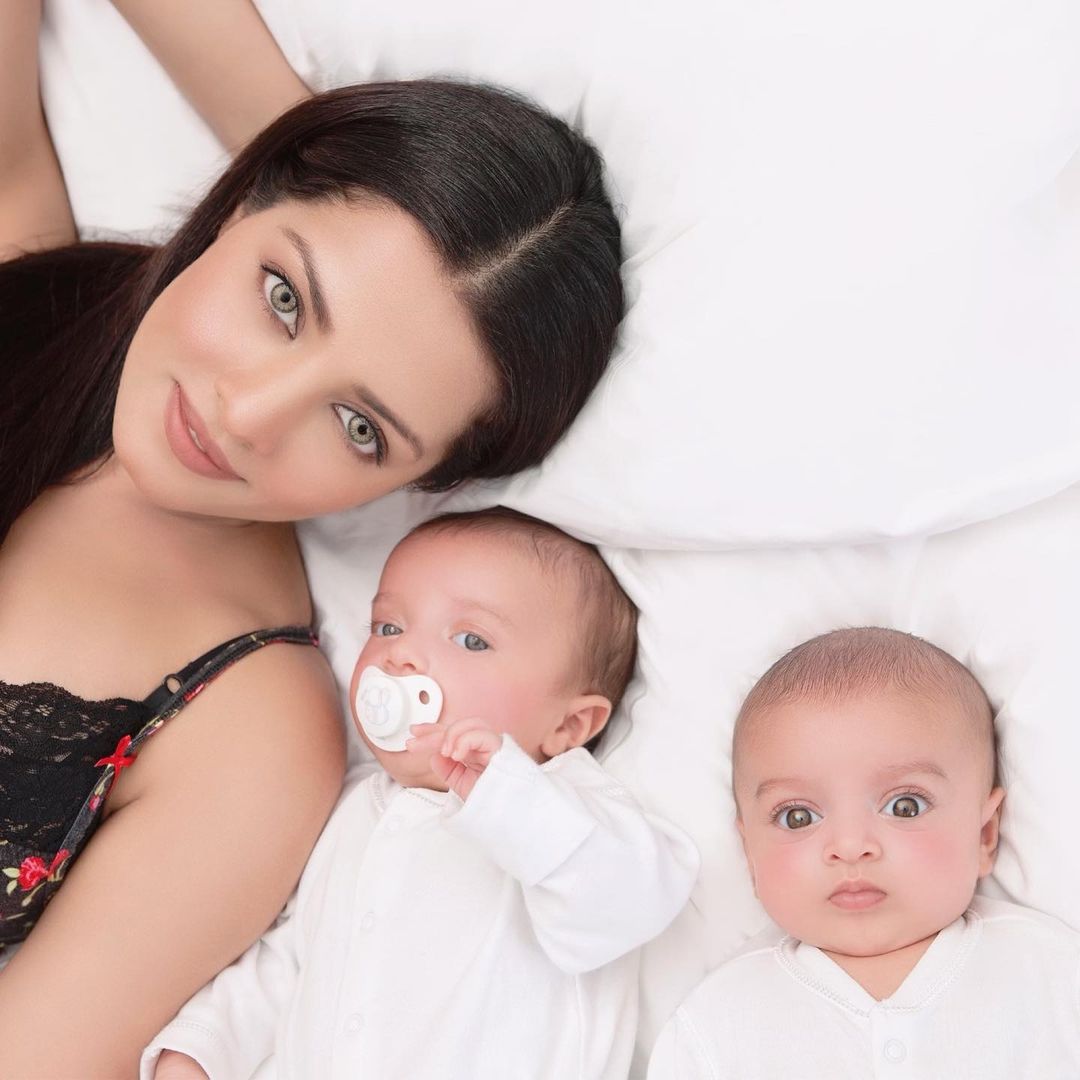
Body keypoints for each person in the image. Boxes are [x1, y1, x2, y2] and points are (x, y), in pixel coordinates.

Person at [0, 2, 624, 1073]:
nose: (247, 415)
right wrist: (300, 134)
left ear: (419, 483)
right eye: (283, 299)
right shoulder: (34, 284)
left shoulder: (248, 731)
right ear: (244, 197)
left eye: (358, 426)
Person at [141, 508, 699, 1080]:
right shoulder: (352, 810)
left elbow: (627, 903)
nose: (400, 654)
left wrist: (506, 796)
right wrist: (205, 1045)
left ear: (570, 725)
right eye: (388, 626)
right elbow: (295, 958)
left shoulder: (575, 808)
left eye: (472, 639)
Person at [648, 627, 1080, 1079]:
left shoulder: (1053, 976)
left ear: (984, 834)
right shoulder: (715, 1027)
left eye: (905, 806)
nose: (851, 846)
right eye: (798, 816)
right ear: (749, 854)